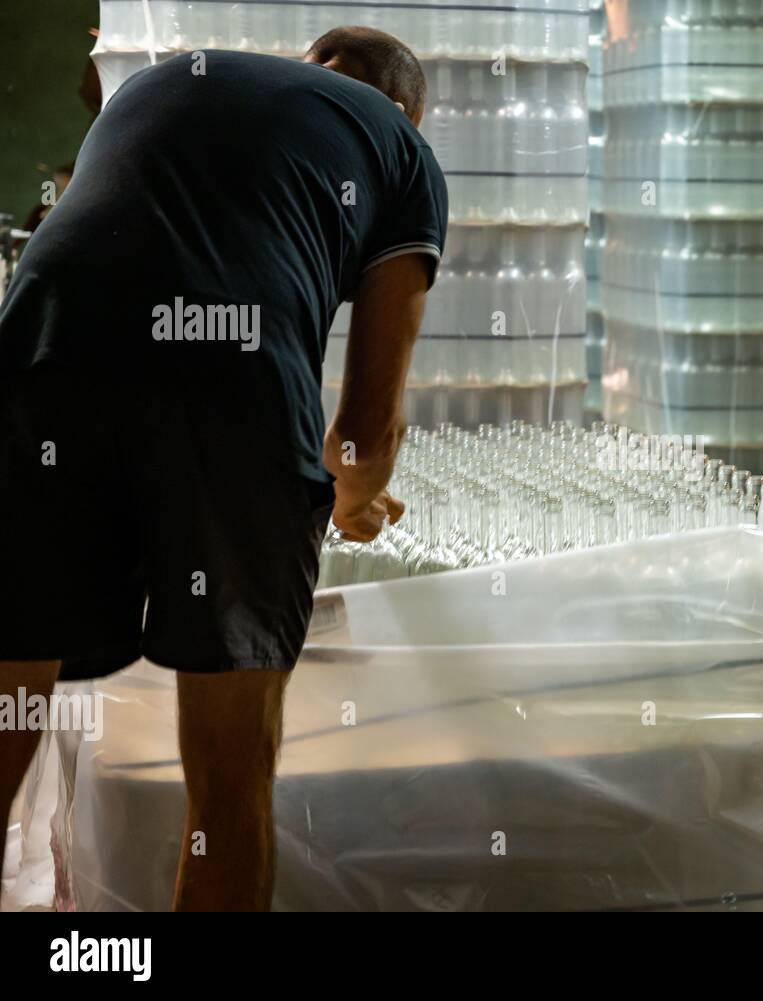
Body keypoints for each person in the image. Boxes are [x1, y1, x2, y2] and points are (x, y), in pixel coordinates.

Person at [0, 26, 448, 910]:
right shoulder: (401, 148)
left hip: (37, 350)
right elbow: (365, 432)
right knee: (229, 780)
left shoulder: (169, 84)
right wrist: (353, 501)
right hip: (232, 385)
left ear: (311, 65)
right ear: (404, 112)